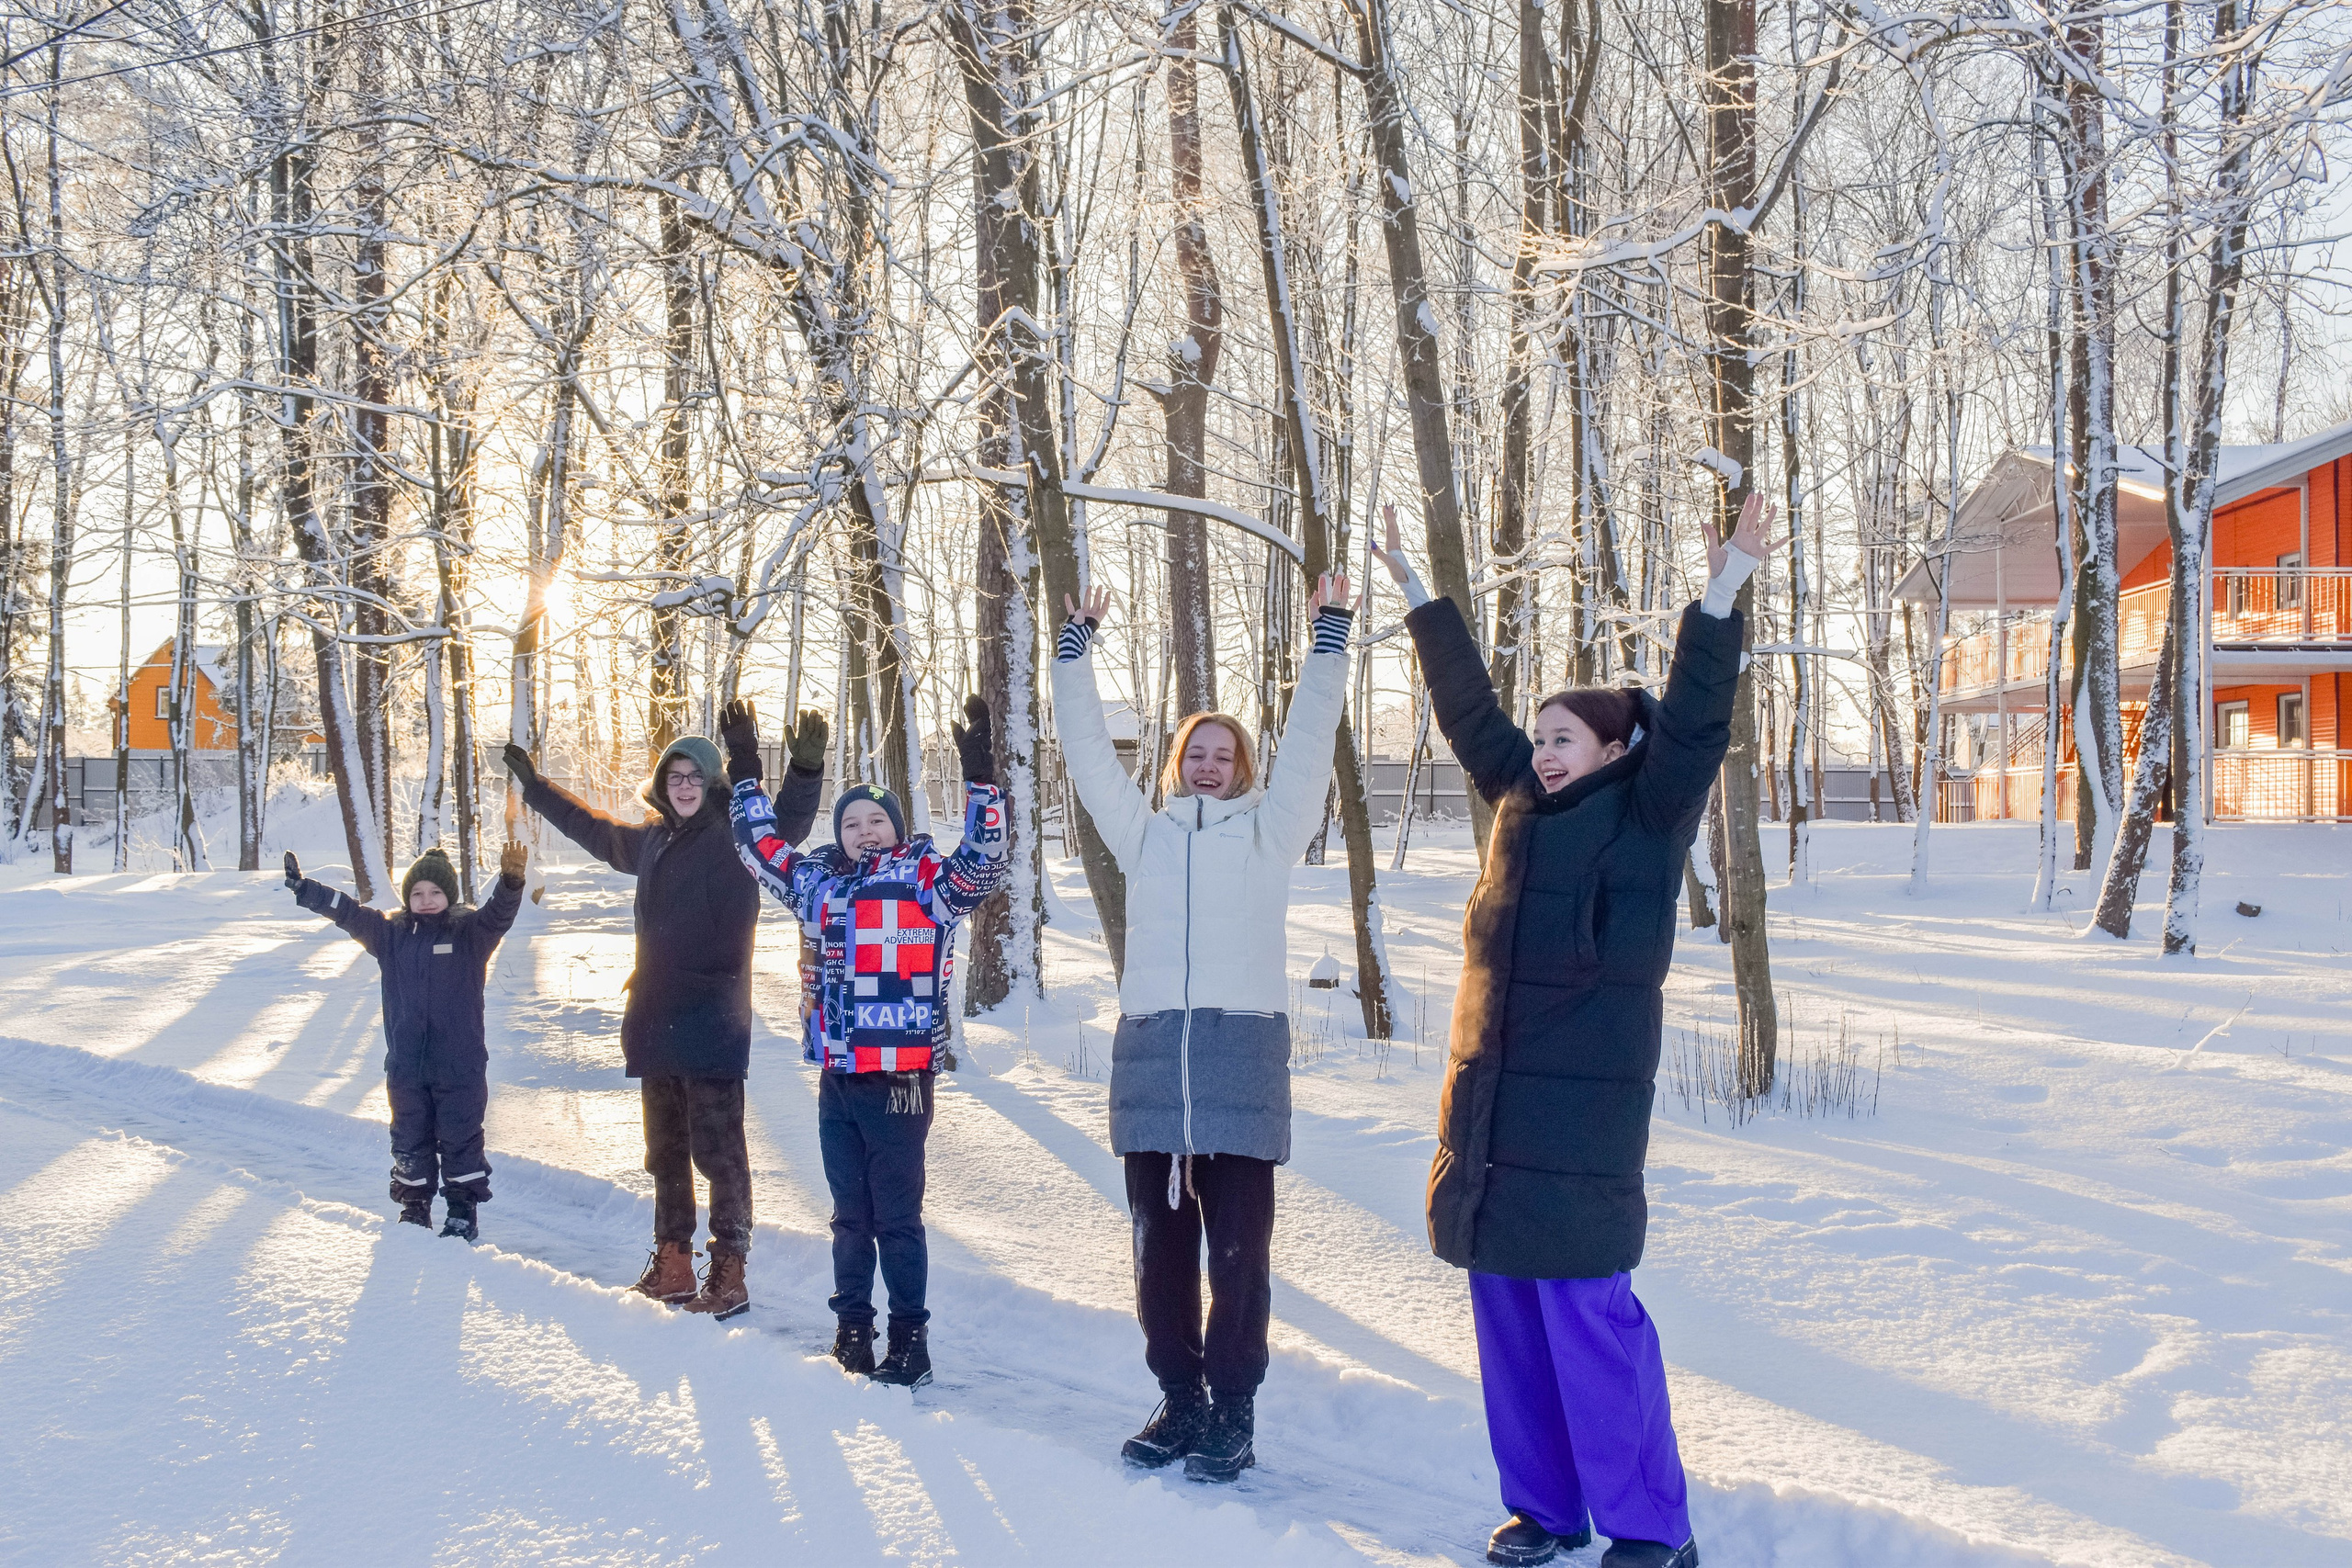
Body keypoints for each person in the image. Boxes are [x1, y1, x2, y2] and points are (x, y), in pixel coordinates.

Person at [1370, 495, 1771, 1568]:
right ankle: (1545, 1509)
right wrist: (1417, 593)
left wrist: (1723, 587)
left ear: (1612, 749)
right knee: (1508, 1326)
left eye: (1565, 739)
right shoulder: (1514, 807)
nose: (1543, 752)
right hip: (1491, 1120)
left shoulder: (1646, 818)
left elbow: (1693, 717)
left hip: (1583, 1128)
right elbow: (1467, 713)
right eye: (1539, 737)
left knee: (1590, 1326)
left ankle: (1650, 1527)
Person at [1049, 571, 1356, 1483]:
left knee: (1238, 1254)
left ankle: (1233, 1409)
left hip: (1237, 1059)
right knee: (1157, 1254)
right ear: (1177, 760)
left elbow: (1310, 743)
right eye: (1197, 751)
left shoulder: (1270, 832)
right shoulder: (1141, 836)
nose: (1209, 764)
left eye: (1225, 754)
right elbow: (1084, 751)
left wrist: (1328, 634)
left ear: (1244, 769)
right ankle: (1179, 1400)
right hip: (1150, 1058)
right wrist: (1075, 650)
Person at [723, 695, 1009, 1390]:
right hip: (839, 1075)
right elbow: (759, 850)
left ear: (897, 826)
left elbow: (984, 858)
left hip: (904, 1076)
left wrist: (981, 777)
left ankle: (911, 1339)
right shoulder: (817, 884)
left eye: (877, 818)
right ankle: (853, 1328)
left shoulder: (927, 882)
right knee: (849, 1216)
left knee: (897, 1217)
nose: (864, 830)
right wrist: (744, 771)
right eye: (851, 821)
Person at [503, 720, 824, 1319]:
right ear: (661, 783)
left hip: (713, 1019)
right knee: (666, 1152)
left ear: (714, 783)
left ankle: (729, 1271)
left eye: (694, 776)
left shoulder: (738, 837)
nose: (682, 785)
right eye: (674, 776)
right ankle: (673, 1262)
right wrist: (537, 788)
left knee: (720, 1153)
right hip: (655, 1017)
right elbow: (592, 830)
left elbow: (790, 826)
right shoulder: (650, 842)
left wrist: (804, 772)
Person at [287, 841, 526, 1243]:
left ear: (449, 896)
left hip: (460, 1065)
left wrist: (512, 882)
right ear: (407, 897)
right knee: (409, 1137)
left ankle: (462, 1210)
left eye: (435, 892)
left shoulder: (470, 934)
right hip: (407, 1066)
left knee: (460, 1136)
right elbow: (348, 912)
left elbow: (499, 915)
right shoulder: (390, 935)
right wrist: (306, 890)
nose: (426, 900)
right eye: (417, 893)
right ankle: (414, 1208)